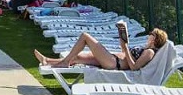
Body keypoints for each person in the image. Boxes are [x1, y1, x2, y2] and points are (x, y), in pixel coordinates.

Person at [34, 28, 168, 70]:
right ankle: (48, 60)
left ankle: (63, 63)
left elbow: (134, 67)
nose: (149, 35)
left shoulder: (150, 52)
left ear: (155, 39)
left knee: (85, 37)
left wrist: (125, 47)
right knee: (77, 57)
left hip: (114, 63)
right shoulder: (146, 49)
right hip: (113, 59)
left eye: (152, 34)